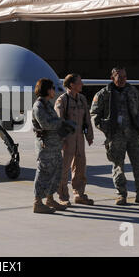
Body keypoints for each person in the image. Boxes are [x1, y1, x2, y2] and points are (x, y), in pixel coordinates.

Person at [90, 67, 139, 206]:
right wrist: (106, 127)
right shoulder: (103, 94)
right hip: (116, 135)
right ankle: (121, 195)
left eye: (125, 76)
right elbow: (94, 114)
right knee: (118, 166)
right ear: (112, 78)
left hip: (133, 134)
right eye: (120, 77)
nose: (123, 79)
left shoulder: (133, 91)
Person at [54, 74, 94, 206]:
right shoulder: (62, 100)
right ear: (71, 85)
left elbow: (87, 119)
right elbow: (59, 122)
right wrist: (62, 140)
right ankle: (63, 196)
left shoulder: (81, 99)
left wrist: (89, 135)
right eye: (79, 82)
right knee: (64, 169)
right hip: (68, 139)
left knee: (80, 166)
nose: (82, 84)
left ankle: (79, 194)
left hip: (79, 138)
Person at [32, 78, 69, 214]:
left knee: (55, 173)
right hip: (46, 147)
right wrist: (62, 124)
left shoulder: (48, 105)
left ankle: (50, 198)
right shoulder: (39, 106)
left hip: (54, 146)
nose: (54, 90)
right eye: (52, 88)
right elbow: (46, 124)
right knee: (43, 173)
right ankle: (37, 202)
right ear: (47, 89)